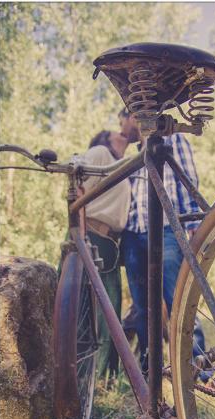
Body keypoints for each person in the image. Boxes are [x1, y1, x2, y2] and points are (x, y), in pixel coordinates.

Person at [118, 108, 207, 376]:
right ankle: (149, 368)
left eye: (121, 120)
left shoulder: (172, 140)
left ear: (134, 115)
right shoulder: (135, 153)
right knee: (143, 305)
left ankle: (199, 368)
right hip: (134, 233)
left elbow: (187, 178)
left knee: (178, 298)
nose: (122, 127)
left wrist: (192, 225)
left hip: (167, 228)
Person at [81, 130, 129, 383]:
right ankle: (83, 376)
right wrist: (81, 238)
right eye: (115, 131)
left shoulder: (122, 164)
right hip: (92, 235)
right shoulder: (100, 153)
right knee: (86, 310)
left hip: (111, 243)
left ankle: (103, 378)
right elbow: (78, 191)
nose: (121, 133)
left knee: (109, 311)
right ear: (104, 139)